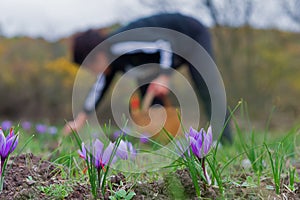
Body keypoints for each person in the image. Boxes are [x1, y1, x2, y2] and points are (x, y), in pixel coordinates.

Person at [63, 13, 233, 144]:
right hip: (157, 60)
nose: (93, 72)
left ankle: (224, 140)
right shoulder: (111, 61)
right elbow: (99, 86)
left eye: (89, 67)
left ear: (98, 55)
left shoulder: (121, 44)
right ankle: (158, 140)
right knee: (148, 92)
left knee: (207, 87)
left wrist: (164, 76)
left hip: (190, 35)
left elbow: (165, 42)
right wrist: (80, 118)